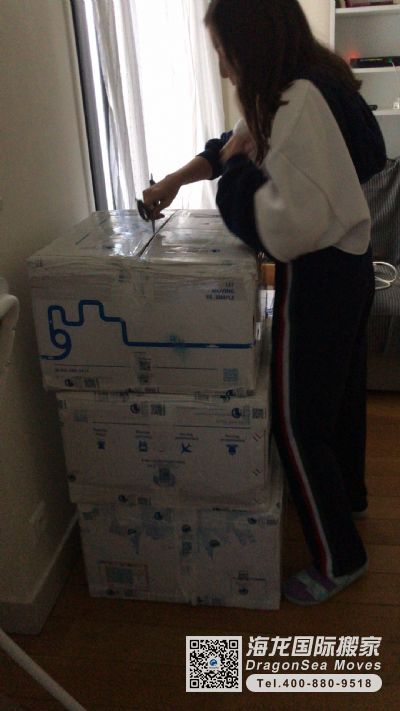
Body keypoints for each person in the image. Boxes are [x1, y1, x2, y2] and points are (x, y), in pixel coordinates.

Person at [142, 0, 387, 605]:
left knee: (297, 422)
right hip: (351, 263)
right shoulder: (310, 83)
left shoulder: (297, 102)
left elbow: (278, 229)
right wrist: (176, 180)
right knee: (338, 404)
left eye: (224, 54)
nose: (223, 70)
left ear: (250, 46)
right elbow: (232, 144)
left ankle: (339, 557)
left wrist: (233, 183)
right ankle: (347, 501)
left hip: (319, 277)